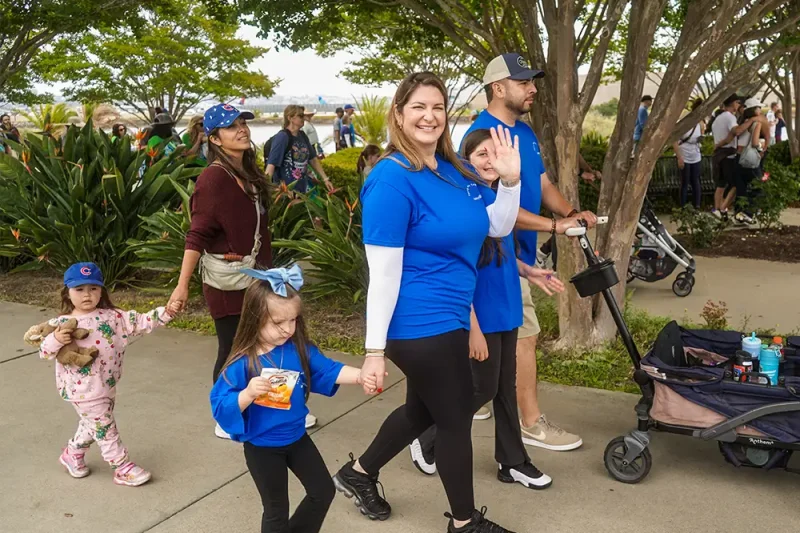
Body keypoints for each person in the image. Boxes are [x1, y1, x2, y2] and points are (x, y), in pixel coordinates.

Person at [332, 72, 522, 533]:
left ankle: (358, 475)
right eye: (418, 106)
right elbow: (382, 274)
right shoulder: (391, 180)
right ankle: (464, 523)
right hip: (415, 321)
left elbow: (494, 225)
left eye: (437, 107)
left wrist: (511, 182)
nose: (429, 116)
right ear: (399, 113)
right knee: (455, 416)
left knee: (424, 411)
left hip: (451, 315)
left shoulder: (453, 172)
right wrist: (374, 351)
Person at [408, 128, 565, 493]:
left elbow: (501, 249)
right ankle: (427, 436)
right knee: (480, 388)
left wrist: (529, 270)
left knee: (505, 388)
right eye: (482, 154)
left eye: (496, 154)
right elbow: (459, 264)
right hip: (478, 308)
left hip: (506, 301)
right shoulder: (465, 200)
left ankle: (512, 461)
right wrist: (472, 325)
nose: (491, 161)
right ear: (465, 159)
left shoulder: (498, 195)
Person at [468, 52, 596, 454]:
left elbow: (540, 185)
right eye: (524, 82)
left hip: (518, 256)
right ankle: (530, 423)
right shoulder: (480, 137)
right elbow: (494, 210)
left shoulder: (523, 133)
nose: (533, 88)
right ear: (498, 88)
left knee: (501, 343)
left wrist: (570, 214)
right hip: (495, 257)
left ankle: (475, 402)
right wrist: (554, 227)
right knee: (525, 338)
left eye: (532, 81)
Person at [210, 265, 376, 533]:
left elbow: (328, 369)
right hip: (262, 447)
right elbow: (220, 404)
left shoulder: (299, 349)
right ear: (255, 319)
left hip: (297, 438)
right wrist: (247, 394)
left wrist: (361, 376)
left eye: (293, 320)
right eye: (278, 323)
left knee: (322, 491)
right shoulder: (243, 363)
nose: (287, 329)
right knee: (276, 510)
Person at [168, 103, 283, 438]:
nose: (241, 130)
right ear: (215, 138)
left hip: (255, 276)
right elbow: (197, 233)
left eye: (243, 123)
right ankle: (226, 415)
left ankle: (264, 405)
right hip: (228, 283)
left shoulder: (247, 173)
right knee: (232, 348)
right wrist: (182, 285)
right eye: (231, 127)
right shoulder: (213, 178)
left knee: (262, 343)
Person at [39, 262, 178, 486]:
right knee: (104, 427)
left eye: (93, 288)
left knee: (92, 424)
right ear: (67, 293)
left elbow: (141, 321)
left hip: (107, 383)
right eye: (80, 289)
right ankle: (121, 466)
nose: (87, 294)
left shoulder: (112, 317)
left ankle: (72, 453)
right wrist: (55, 339)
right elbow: (44, 352)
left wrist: (167, 311)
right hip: (82, 390)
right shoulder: (61, 324)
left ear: (101, 291)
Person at [266, 105, 334, 194]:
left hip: (303, 189)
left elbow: (313, 159)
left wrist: (325, 179)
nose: (304, 118)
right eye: (301, 116)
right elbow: (272, 164)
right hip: (287, 191)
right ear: (290, 118)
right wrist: (267, 189)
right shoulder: (282, 137)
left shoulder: (302, 135)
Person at [710, 94, 752, 220]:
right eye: (738, 103)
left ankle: (717, 210)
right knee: (735, 184)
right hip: (728, 155)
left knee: (721, 184)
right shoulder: (729, 117)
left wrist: (719, 145)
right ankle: (723, 208)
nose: (739, 105)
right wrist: (751, 121)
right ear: (733, 103)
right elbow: (736, 131)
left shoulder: (718, 118)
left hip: (719, 155)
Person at [730, 97, 764, 224]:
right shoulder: (756, 123)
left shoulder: (742, 121)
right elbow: (755, 142)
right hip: (749, 160)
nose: (760, 110)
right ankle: (748, 212)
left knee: (741, 188)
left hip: (738, 158)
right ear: (754, 110)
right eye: (758, 108)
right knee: (759, 187)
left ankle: (739, 215)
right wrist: (761, 148)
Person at [673, 98, 705, 208]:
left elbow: (701, 137)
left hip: (695, 154)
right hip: (684, 153)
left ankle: (697, 205)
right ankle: (683, 206)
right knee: (685, 181)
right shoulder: (684, 122)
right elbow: (675, 141)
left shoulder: (701, 123)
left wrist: (701, 140)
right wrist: (679, 157)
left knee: (695, 180)